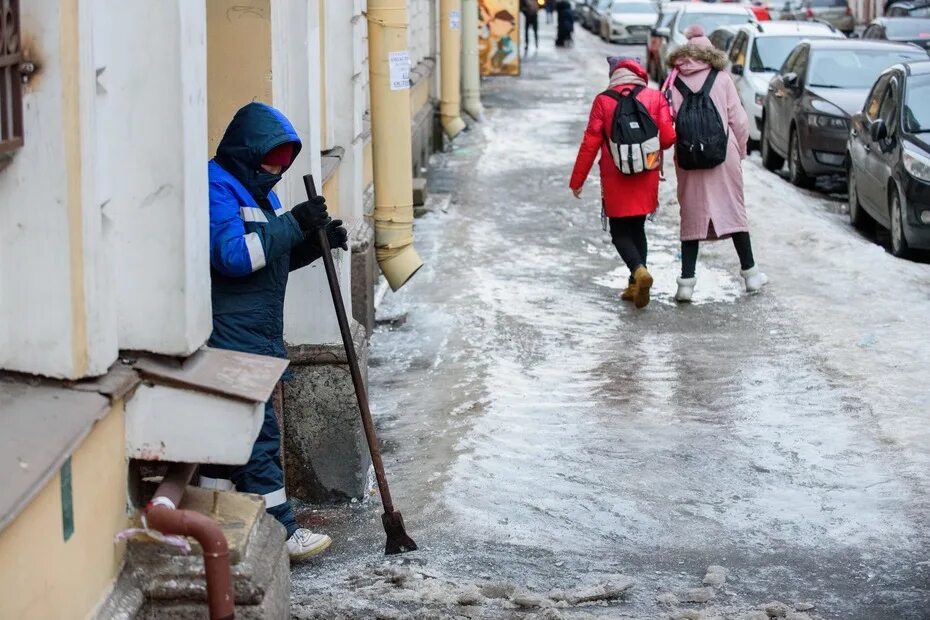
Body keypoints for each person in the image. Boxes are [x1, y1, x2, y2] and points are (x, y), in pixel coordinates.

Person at [200, 102, 349, 561]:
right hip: (232, 331)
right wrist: (293, 224)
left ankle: (216, 519)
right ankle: (282, 533)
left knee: (228, 434)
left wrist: (311, 243)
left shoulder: (259, 191)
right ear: (247, 151)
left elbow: (269, 258)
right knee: (259, 431)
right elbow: (235, 257)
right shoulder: (216, 187)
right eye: (271, 161)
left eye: (284, 163)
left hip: (257, 331)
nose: (277, 171)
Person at [666, 26, 768, 302]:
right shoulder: (721, 78)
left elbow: (666, 119)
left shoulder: (673, 79)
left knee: (692, 216)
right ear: (710, 52)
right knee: (734, 212)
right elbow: (739, 120)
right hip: (723, 155)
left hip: (688, 157)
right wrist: (741, 151)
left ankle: (686, 284)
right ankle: (751, 275)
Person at [570, 57, 676, 309]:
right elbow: (669, 137)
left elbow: (590, 143)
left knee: (619, 231)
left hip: (615, 172)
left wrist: (577, 180)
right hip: (646, 171)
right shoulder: (654, 97)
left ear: (613, 74)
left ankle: (638, 272)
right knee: (637, 227)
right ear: (639, 72)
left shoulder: (603, 101)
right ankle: (634, 283)